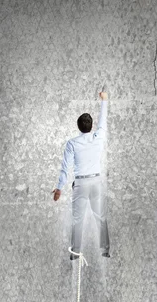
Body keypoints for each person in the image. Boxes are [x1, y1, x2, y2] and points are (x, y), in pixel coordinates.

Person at [52, 90, 111, 260]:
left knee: (77, 219)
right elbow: (103, 120)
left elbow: (65, 167)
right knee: (101, 217)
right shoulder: (98, 137)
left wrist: (59, 188)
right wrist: (104, 100)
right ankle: (105, 249)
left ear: (78, 127)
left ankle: (76, 252)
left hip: (80, 184)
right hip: (96, 182)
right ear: (91, 126)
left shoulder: (72, 143)